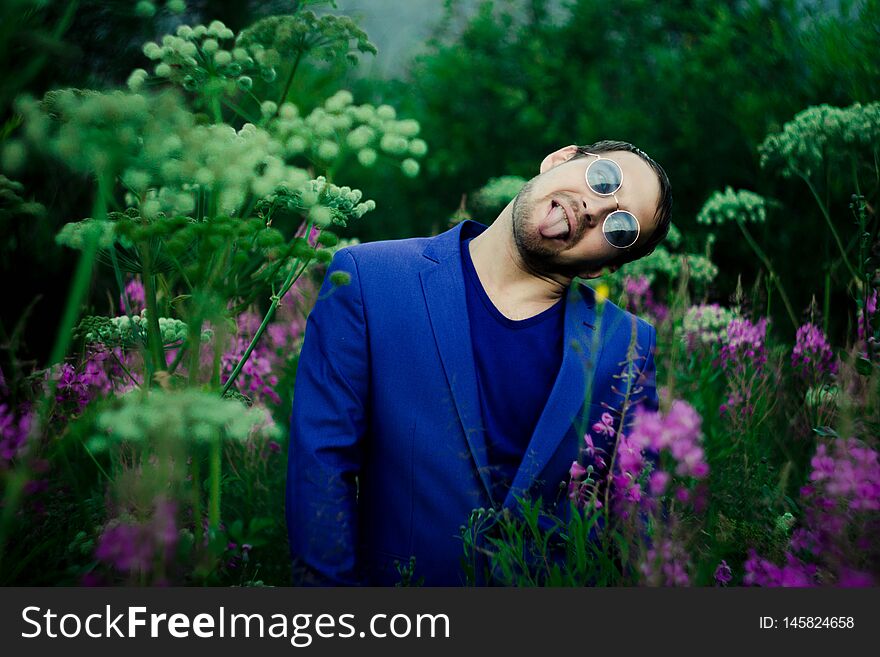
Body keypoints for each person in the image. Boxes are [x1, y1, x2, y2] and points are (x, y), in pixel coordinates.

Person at [286, 140, 672, 585]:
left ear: (600, 268)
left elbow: (636, 518)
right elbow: (321, 470)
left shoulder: (626, 343)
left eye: (619, 228)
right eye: (604, 180)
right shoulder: (368, 279)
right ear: (560, 159)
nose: (594, 211)